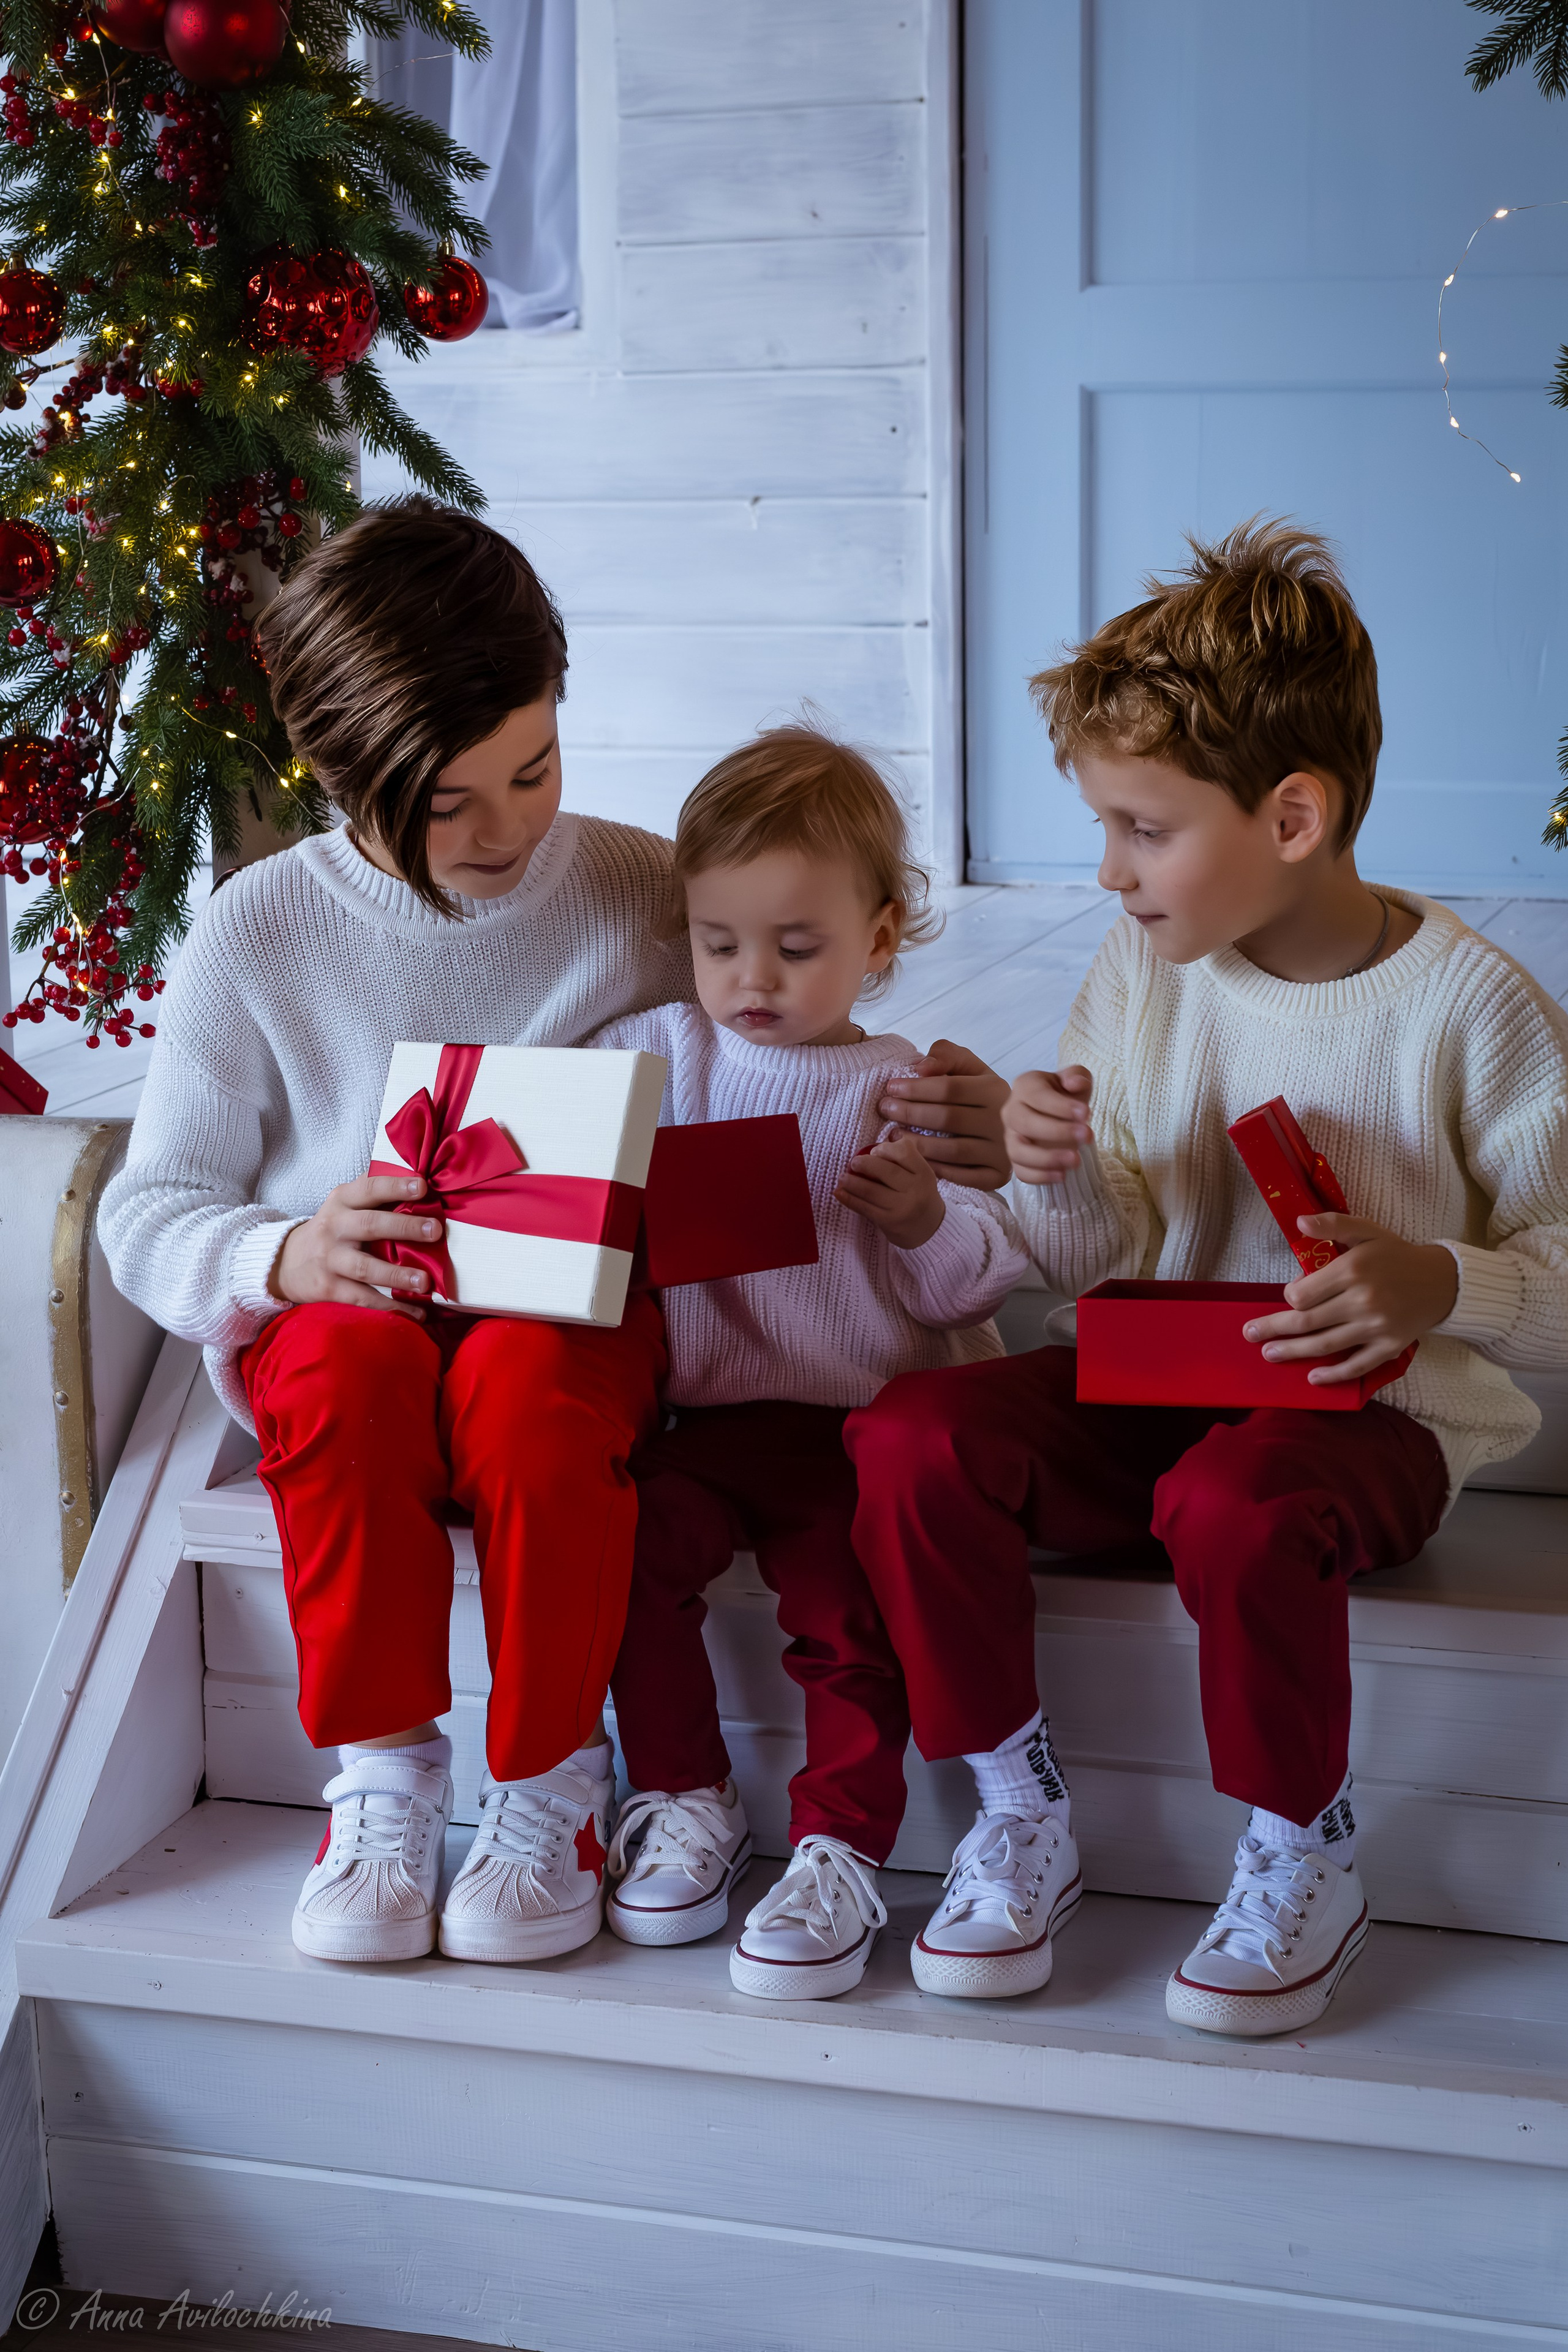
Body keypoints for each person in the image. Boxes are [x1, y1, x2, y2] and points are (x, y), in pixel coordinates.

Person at [99, 499, 1006, 1969]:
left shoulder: (646, 891)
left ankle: (547, 1788)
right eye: (445, 804)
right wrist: (281, 1254)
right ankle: (385, 1784)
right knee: (342, 1372)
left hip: (574, 1325)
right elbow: (148, 1212)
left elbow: (792, 1035)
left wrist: (939, 1129)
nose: (504, 829)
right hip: (353, 1319)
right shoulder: (258, 930)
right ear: (336, 773)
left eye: (532, 769)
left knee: (532, 1392)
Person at [845, 519, 1568, 2031]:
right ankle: (1015, 1806)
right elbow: (1096, 1258)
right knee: (914, 1436)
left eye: (1141, 829)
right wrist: (1047, 1167)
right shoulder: (1145, 970)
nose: (1103, 872)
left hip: (1365, 1425)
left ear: (1291, 816)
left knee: (1226, 1502)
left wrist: (1443, 1286)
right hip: (1153, 1382)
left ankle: (1301, 1846)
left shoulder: (1473, 1011)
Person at [594, 725, 1029, 1999]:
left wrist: (919, 1220)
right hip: (708, 1424)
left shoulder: (893, 1085)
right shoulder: (670, 1052)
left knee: (847, 1621)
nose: (752, 980)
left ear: (879, 941)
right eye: (718, 942)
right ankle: (681, 1794)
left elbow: (970, 1288)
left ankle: (840, 1843)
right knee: (617, 1548)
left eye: (796, 948)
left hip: (851, 1427)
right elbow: (553, 1149)